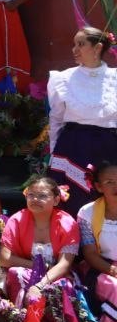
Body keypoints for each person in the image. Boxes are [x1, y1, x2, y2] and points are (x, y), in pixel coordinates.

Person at [47, 27, 117, 213]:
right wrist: (53, 153)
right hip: (73, 147)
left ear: (97, 47)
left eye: (81, 44)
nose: (74, 49)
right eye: (74, 44)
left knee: (108, 199)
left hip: (108, 148)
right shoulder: (63, 78)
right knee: (70, 198)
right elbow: (56, 119)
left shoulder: (115, 78)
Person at [0, 176, 79, 306]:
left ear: (56, 200)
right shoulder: (16, 220)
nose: (35, 199)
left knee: (64, 286)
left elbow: (64, 264)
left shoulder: (68, 224)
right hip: (27, 270)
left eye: (42, 196)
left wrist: (39, 286)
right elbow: (4, 259)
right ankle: (19, 319)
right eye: (31, 195)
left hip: (57, 274)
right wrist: (42, 267)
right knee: (15, 273)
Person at [77, 161, 117, 322]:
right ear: (99, 186)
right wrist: (112, 271)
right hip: (101, 268)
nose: (116, 187)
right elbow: (90, 254)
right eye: (110, 182)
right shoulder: (88, 212)